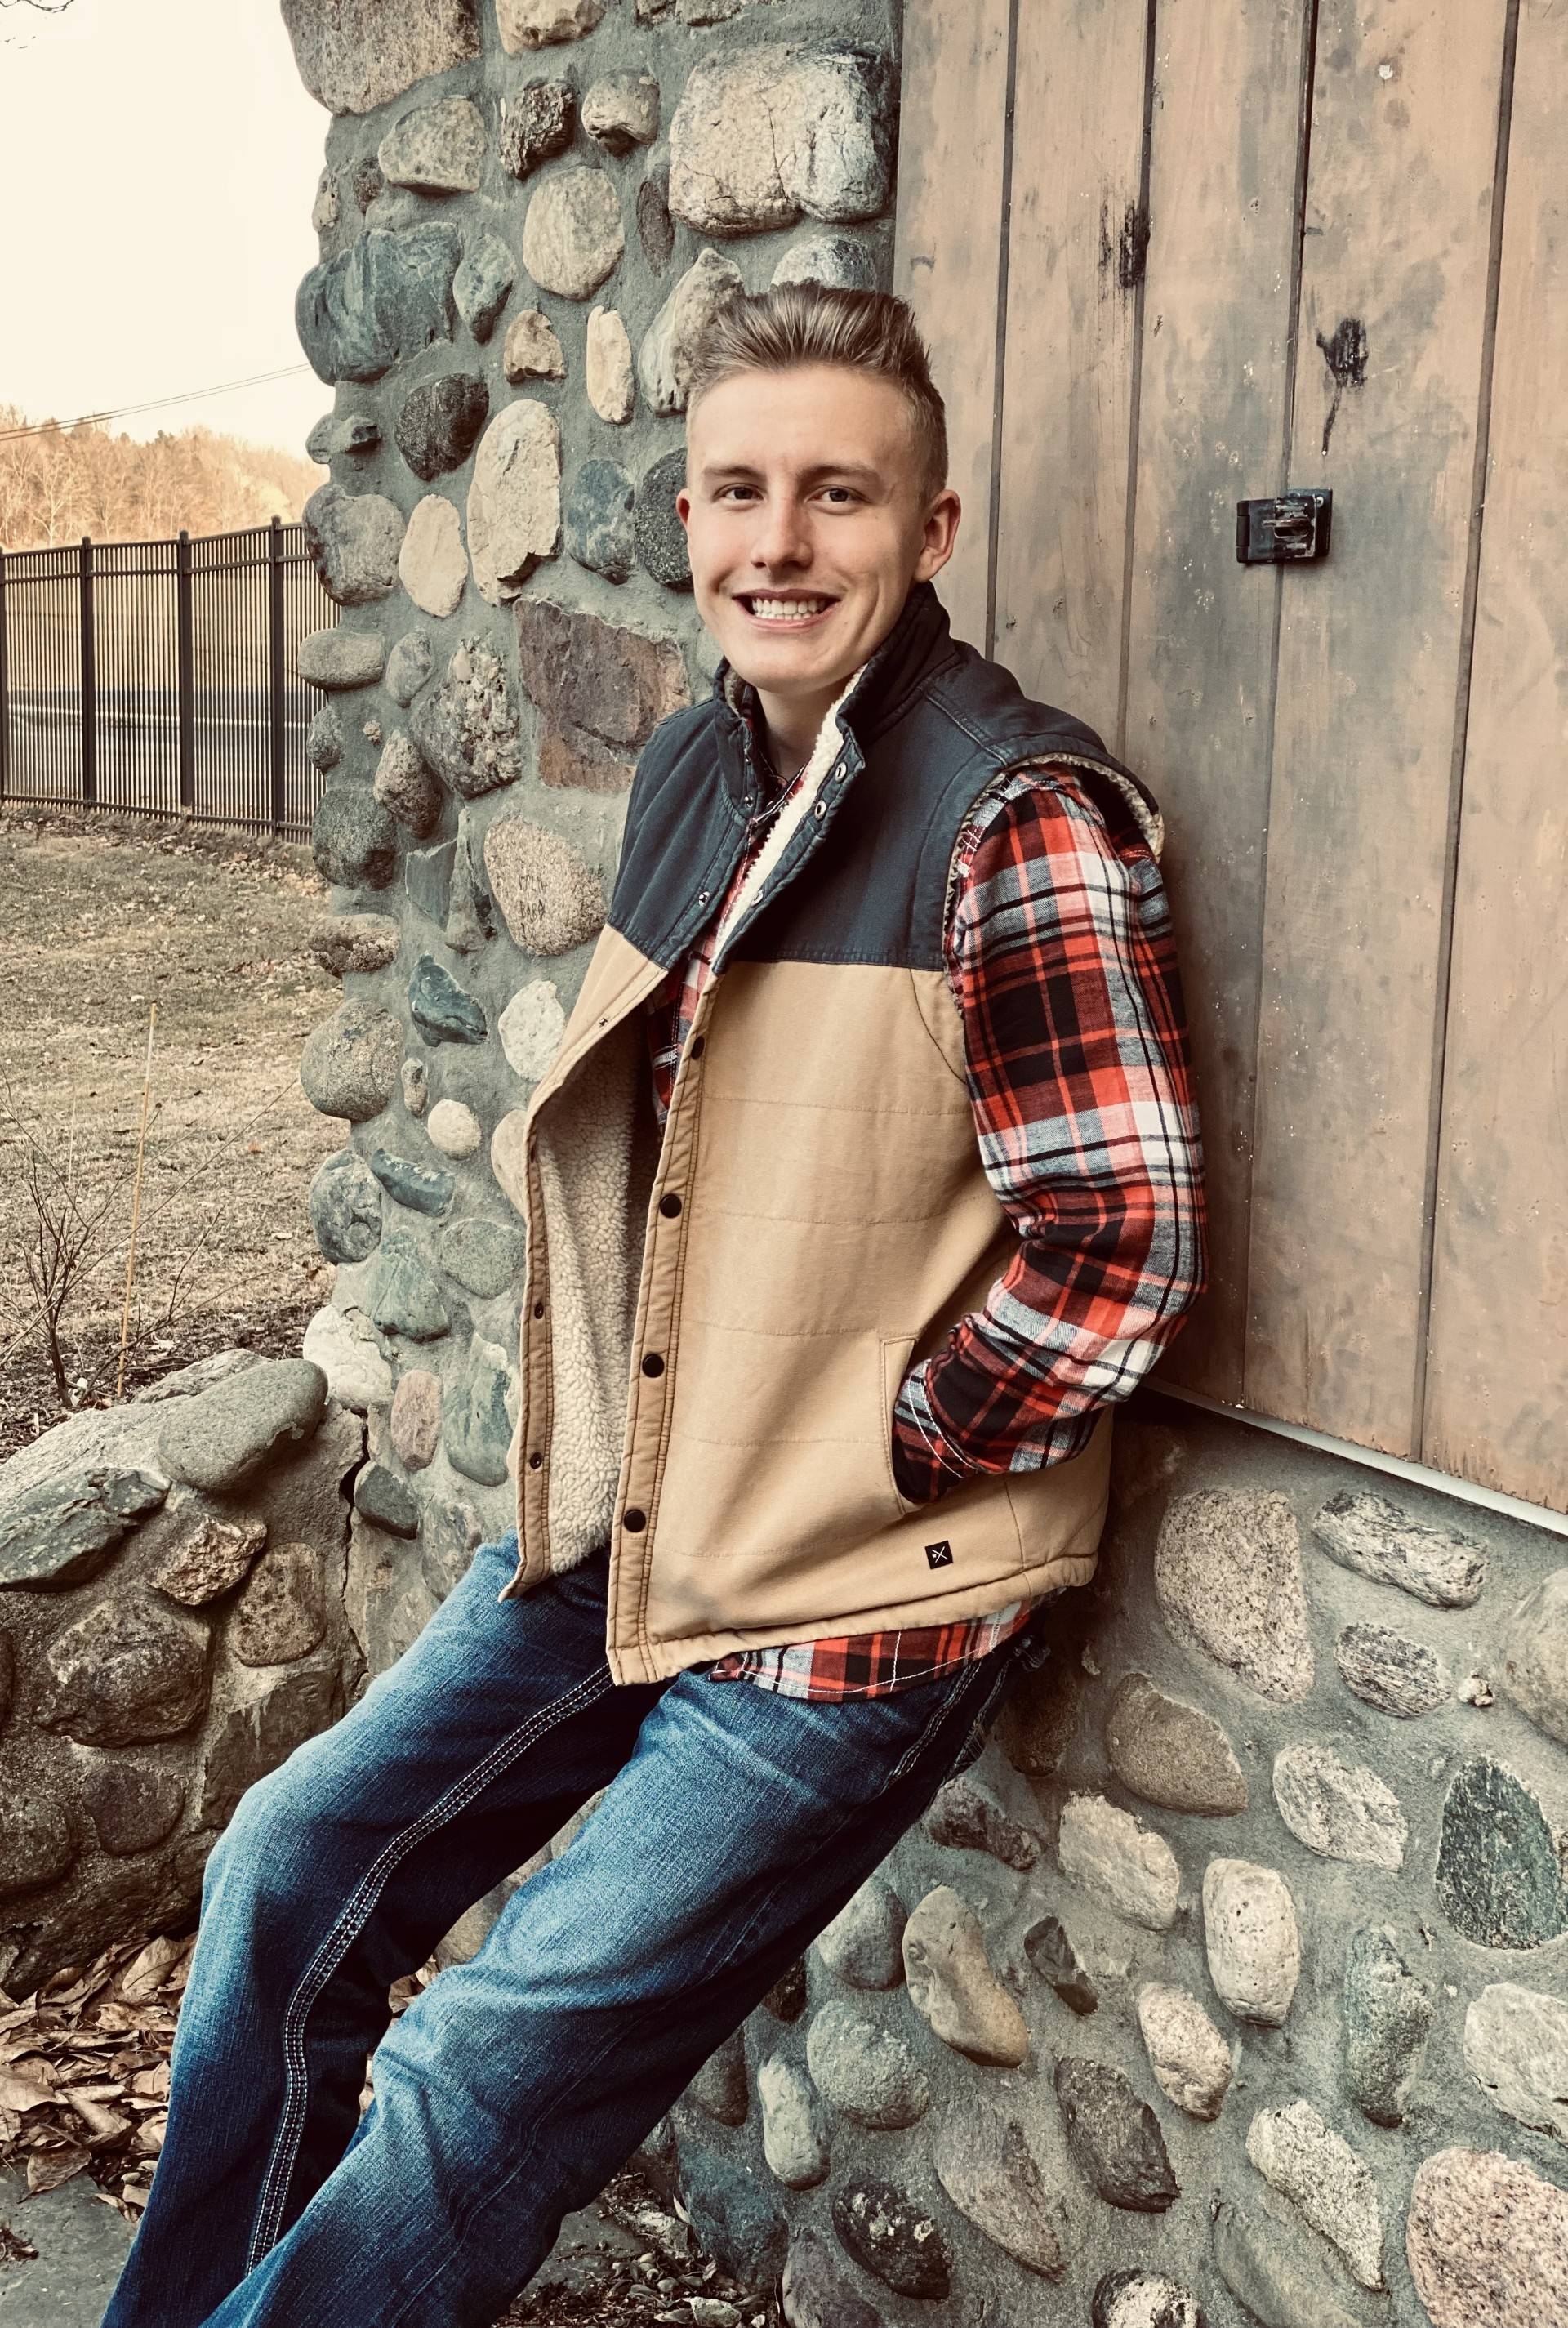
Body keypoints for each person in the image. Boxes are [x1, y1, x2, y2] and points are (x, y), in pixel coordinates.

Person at [100, 284, 1207, 2328]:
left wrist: (882, 1445)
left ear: (931, 528)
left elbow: (1120, 1243)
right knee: (280, 1873)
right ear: (686, 515)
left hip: (854, 1608)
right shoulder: (707, 759)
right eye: (735, 491)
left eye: (835, 495)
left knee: (465, 2082)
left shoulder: (1014, 816)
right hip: (633, 1514)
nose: (777, 541)